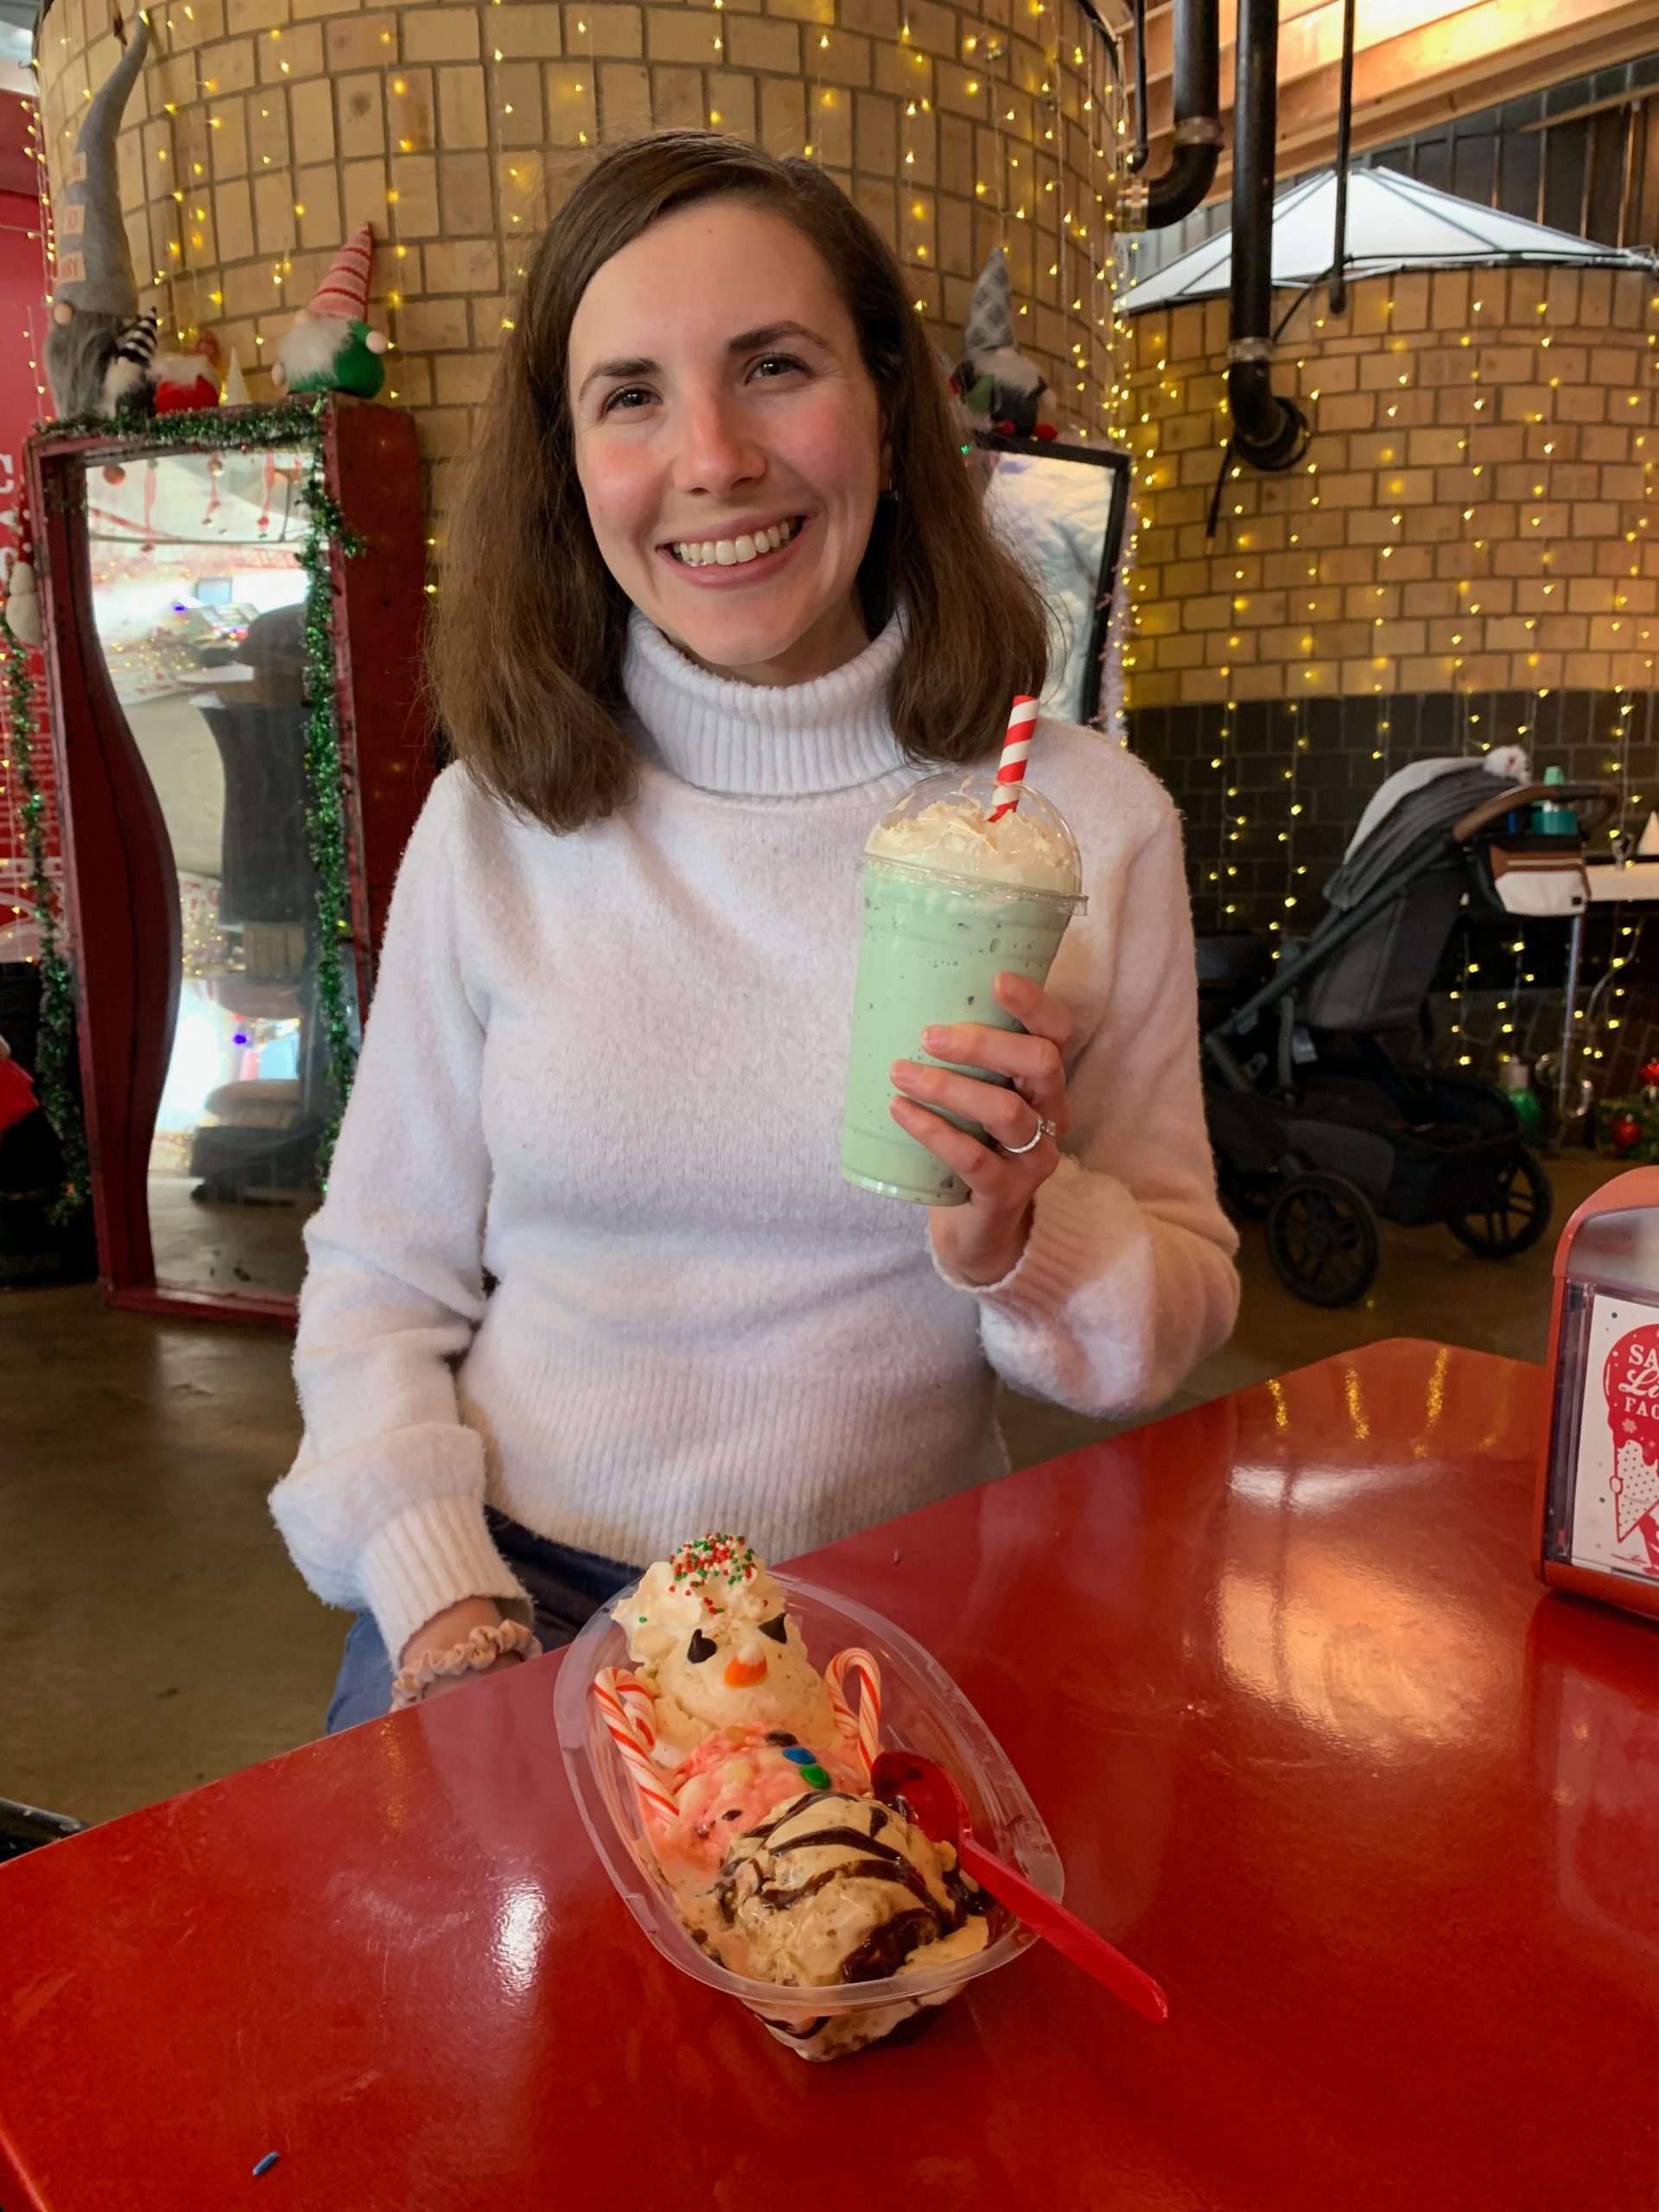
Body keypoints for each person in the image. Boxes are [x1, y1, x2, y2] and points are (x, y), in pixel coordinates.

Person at [270, 132, 1239, 1732]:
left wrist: (1023, 1232)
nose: (713, 458)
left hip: (891, 1601)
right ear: (571, 467)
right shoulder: (493, 824)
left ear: (889, 408)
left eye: (773, 366)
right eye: (630, 395)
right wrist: (439, 1588)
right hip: (516, 1583)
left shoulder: (1086, 824)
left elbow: (1171, 1321)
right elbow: (379, 1277)